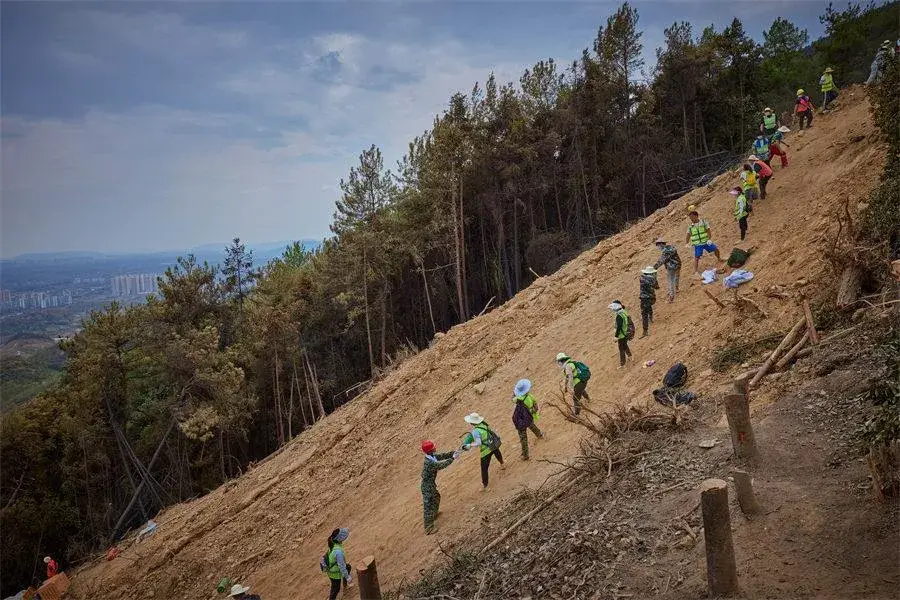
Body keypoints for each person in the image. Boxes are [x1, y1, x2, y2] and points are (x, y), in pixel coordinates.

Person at [420, 440, 459, 534]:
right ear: (430, 450)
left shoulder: (431, 457)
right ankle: (428, 528)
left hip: (430, 484)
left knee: (436, 497)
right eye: (433, 447)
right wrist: (452, 458)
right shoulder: (429, 462)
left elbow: (442, 456)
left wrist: (453, 453)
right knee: (428, 506)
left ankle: (434, 514)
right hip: (427, 486)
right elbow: (441, 465)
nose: (435, 447)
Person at [461, 413, 504, 489]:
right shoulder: (484, 424)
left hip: (485, 451)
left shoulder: (475, 431)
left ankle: (485, 485)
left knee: (484, 469)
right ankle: (502, 464)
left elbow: (479, 443)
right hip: (492, 444)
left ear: (472, 422)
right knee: (497, 453)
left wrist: (470, 445)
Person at [511, 379, 543, 460]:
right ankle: (539, 435)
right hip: (528, 417)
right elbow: (536, 408)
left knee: (523, 437)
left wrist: (514, 393)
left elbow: (512, 399)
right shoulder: (531, 397)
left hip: (520, 420)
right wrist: (531, 411)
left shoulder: (517, 399)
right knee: (531, 425)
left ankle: (525, 455)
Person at [321, 528, 352, 600]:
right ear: (339, 539)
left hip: (332, 568)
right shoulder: (338, 552)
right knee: (336, 589)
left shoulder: (333, 543)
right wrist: (348, 577)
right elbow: (341, 566)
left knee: (348, 567)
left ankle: (345, 584)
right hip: (334, 573)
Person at [653, 238, 681, 303]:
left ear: (661, 244)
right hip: (678, 264)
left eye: (658, 245)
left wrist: (654, 268)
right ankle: (676, 289)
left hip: (671, 267)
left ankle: (671, 297)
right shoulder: (670, 247)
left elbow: (661, 260)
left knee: (670, 281)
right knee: (676, 278)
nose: (658, 247)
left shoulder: (666, 251)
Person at [610, 301, 632, 369]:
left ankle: (623, 364)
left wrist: (616, 336)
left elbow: (619, 326)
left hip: (621, 335)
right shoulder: (623, 312)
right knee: (625, 345)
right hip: (626, 332)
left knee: (621, 349)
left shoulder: (619, 316)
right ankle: (630, 356)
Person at [638, 267, 658, 338]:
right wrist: (655, 278)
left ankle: (645, 331)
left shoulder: (641, 278)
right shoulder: (653, 279)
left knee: (644, 314)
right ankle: (651, 317)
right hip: (651, 298)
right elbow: (657, 287)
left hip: (644, 298)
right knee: (649, 307)